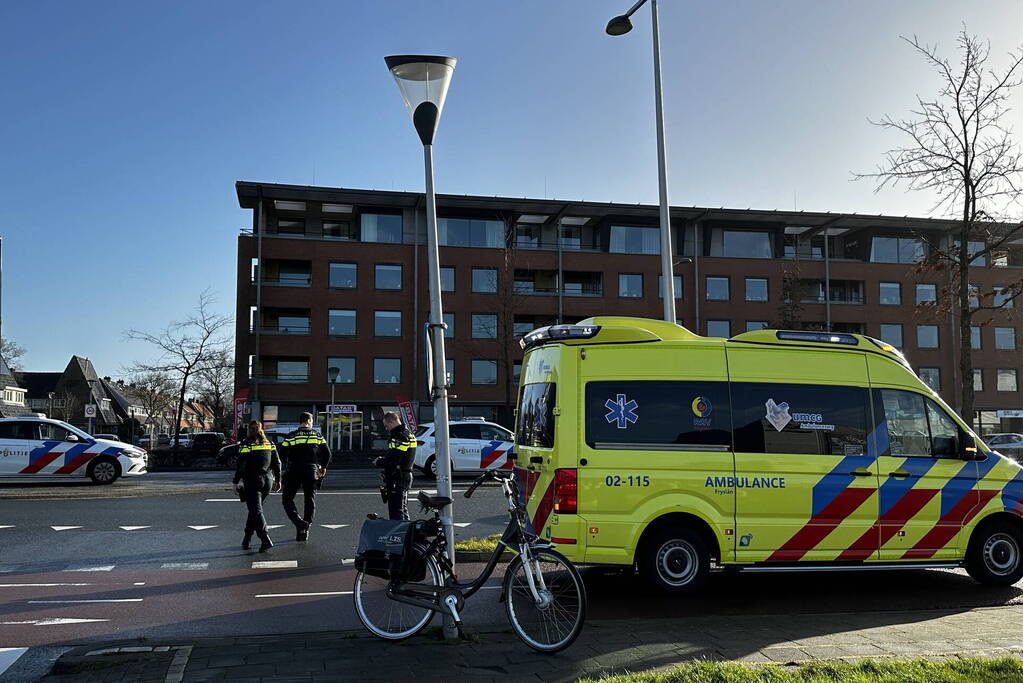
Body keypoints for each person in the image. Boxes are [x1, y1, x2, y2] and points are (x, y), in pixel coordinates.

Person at [279, 412, 332, 541]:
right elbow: (328, 454)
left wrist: (282, 469)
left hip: (294, 470)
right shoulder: (317, 436)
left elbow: (281, 454)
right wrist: (323, 467)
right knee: (309, 499)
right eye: (312, 421)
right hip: (311, 470)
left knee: (287, 499)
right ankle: (305, 527)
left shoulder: (291, 436)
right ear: (308, 421)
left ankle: (299, 522)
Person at [232, 421, 281, 553]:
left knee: (256, 511)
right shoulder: (269, 444)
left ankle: (265, 538)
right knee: (254, 511)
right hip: (268, 480)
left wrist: (236, 481)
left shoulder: (247, 444)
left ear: (249, 430)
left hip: (253, 480)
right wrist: (278, 480)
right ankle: (246, 539)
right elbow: (277, 462)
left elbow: (241, 465)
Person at [374, 412, 416, 520]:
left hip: (398, 477)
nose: (387, 429)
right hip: (405, 475)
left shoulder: (399, 436)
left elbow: (395, 459)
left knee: (396, 512)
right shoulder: (409, 434)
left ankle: (399, 535)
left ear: (392, 421)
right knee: (403, 508)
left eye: (387, 426)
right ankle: (406, 534)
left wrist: (379, 461)